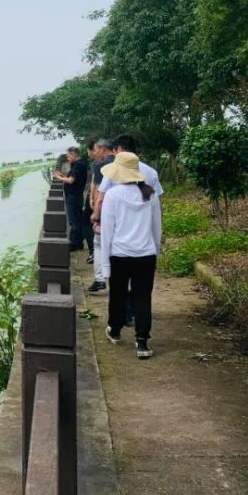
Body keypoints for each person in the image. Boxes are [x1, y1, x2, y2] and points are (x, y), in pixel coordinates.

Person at [100, 151, 162, 359]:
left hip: (119, 254)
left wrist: (104, 265)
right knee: (142, 297)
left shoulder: (113, 195)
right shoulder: (150, 194)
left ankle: (115, 330)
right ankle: (142, 342)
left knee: (117, 294)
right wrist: (156, 252)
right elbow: (156, 228)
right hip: (146, 255)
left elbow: (107, 231)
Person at [87, 139, 115, 293]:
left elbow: (99, 190)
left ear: (104, 149)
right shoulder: (123, 165)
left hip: (105, 212)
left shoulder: (101, 166)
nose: (95, 153)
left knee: (98, 244)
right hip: (121, 214)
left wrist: (95, 213)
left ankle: (99, 279)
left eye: (96, 150)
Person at [53, 146, 89, 253]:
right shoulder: (79, 165)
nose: (67, 158)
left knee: (74, 221)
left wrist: (59, 178)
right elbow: (70, 177)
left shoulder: (78, 165)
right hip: (77, 195)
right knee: (78, 220)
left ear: (73, 154)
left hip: (73, 196)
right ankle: (79, 243)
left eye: (68, 155)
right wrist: (62, 175)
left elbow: (71, 180)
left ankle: (73, 244)